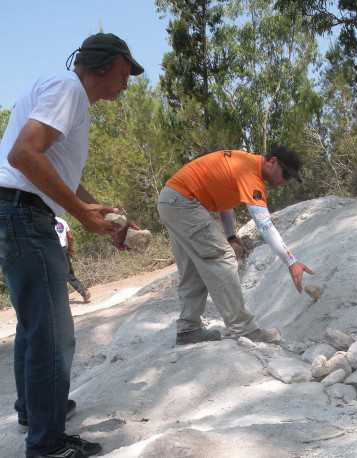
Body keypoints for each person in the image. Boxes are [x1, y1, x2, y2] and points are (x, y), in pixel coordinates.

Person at [0, 33, 143, 458]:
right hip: (24, 213)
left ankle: (35, 408)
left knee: (33, 324)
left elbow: (52, 168)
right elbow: (25, 155)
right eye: (124, 72)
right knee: (53, 335)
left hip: (14, 210)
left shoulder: (61, 92)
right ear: (105, 64)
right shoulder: (69, 90)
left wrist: (95, 207)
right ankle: (47, 445)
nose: (127, 82)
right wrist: (80, 212)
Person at [157, 146, 314, 345]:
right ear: (272, 161)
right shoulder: (250, 173)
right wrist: (291, 262)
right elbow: (264, 224)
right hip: (183, 202)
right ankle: (243, 328)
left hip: (170, 201)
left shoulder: (241, 163)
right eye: (285, 174)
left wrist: (231, 235)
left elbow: (225, 202)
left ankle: (189, 329)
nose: (283, 181)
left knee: (192, 269)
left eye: (288, 178)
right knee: (222, 258)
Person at [54, 216, 91, 303]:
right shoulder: (62, 221)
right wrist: (70, 249)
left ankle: (83, 292)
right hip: (64, 249)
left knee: (63, 275)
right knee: (69, 273)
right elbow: (70, 237)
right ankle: (82, 292)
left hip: (55, 250)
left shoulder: (48, 222)